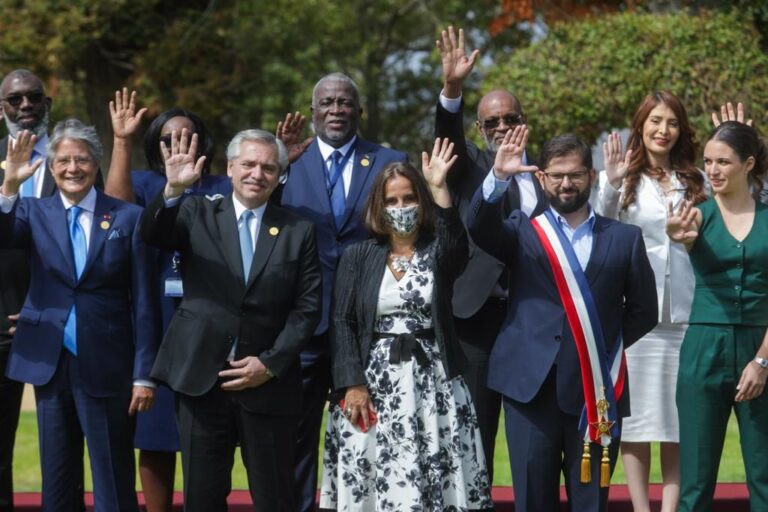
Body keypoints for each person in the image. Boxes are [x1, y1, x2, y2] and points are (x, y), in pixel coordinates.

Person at [467, 127, 658, 511]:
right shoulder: (521, 230)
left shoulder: (624, 238)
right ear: (542, 178)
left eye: (575, 174)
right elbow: (478, 227)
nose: (566, 183)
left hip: (594, 392)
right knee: (533, 501)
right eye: (557, 175)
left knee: (590, 501)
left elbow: (643, 311)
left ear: (591, 175)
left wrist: (599, 348)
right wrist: (499, 178)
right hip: (528, 389)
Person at [140, 128, 322, 511]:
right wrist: (172, 190)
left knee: (276, 498)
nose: (258, 174)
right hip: (202, 382)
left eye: (269, 168)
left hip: (268, 385)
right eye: (249, 164)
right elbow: (152, 233)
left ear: (279, 176)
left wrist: (269, 364)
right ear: (231, 167)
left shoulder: (298, 230)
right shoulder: (195, 210)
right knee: (202, 498)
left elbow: (307, 309)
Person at [319, 138, 492, 510]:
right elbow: (343, 321)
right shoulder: (358, 255)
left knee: (436, 475)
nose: (401, 207)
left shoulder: (438, 250)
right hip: (372, 382)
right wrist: (352, 383)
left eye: (409, 198)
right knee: (374, 477)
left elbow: (457, 248)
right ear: (379, 207)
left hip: (434, 382)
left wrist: (439, 187)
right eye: (392, 201)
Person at [0, 121, 160, 511]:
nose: (73, 168)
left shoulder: (127, 217)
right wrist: (8, 189)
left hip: (108, 364)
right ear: (51, 168)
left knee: (112, 479)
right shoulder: (32, 210)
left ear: (96, 163)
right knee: (56, 481)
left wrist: (144, 374)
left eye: (82, 159)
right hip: (49, 364)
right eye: (64, 161)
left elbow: (143, 301)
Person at [279, 72, 407, 511]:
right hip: (304, 322)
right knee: (296, 437)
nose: (336, 110)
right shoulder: (286, 163)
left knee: (371, 432)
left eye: (345, 102)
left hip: (370, 323)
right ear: (313, 111)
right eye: (327, 103)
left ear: (359, 110)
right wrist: (279, 164)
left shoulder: (390, 161)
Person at [104, 89, 231, 512]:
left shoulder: (221, 185)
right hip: (155, 313)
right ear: (155, 145)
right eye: (167, 137)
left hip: (209, 317)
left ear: (203, 143)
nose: (178, 143)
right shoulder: (142, 182)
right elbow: (116, 209)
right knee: (155, 431)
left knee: (206, 437)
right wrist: (121, 141)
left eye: (187, 135)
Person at [434, 26, 547, 481]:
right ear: (480, 129)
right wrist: (452, 89)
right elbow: (447, 135)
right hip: (474, 317)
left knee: (532, 436)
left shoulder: (543, 175)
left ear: (523, 123)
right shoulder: (467, 166)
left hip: (530, 315)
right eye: (491, 123)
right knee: (474, 430)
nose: (502, 127)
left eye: (510, 119)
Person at [591, 90, 706, 512]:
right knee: (637, 424)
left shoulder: (696, 179)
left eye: (672, 122)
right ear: (641, 125)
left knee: (678, 423)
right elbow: (599, 227)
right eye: (656, 121)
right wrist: (613, 182)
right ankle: (641, 507)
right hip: (638, 319)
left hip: (687, 315)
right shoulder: (620, 178)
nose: (664, 130)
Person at [667, 121, 768, 511]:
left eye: (723, 161)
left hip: (759, 347)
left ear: (748, 164)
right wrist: (676, 236)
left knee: (763, 473)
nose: (712, 170)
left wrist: (761, 361)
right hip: (703, 349)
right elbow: (679, 235)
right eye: (708, 161)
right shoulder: (695, 217)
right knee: (695, 478)